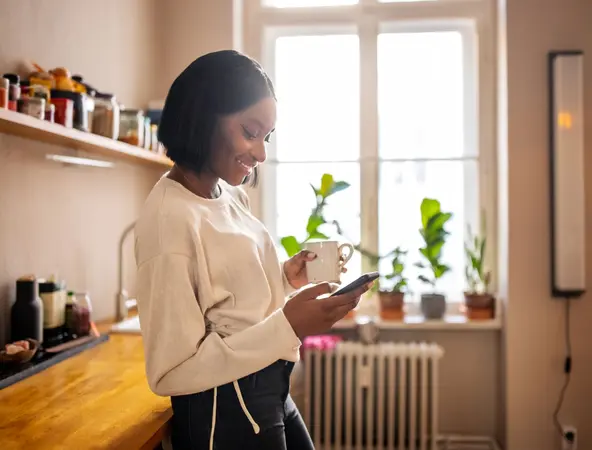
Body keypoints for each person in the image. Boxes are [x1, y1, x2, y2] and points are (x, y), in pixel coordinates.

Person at [134, 50, 373, 450]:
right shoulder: (169, 221)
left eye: (266, 136)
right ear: (203, 117)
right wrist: (289, 325)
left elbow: (228, 299)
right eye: (250, 131)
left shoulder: (228, 194)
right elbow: (171, 371)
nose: (261, 153)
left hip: (268, 389)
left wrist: (283, 276)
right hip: (223, 410)